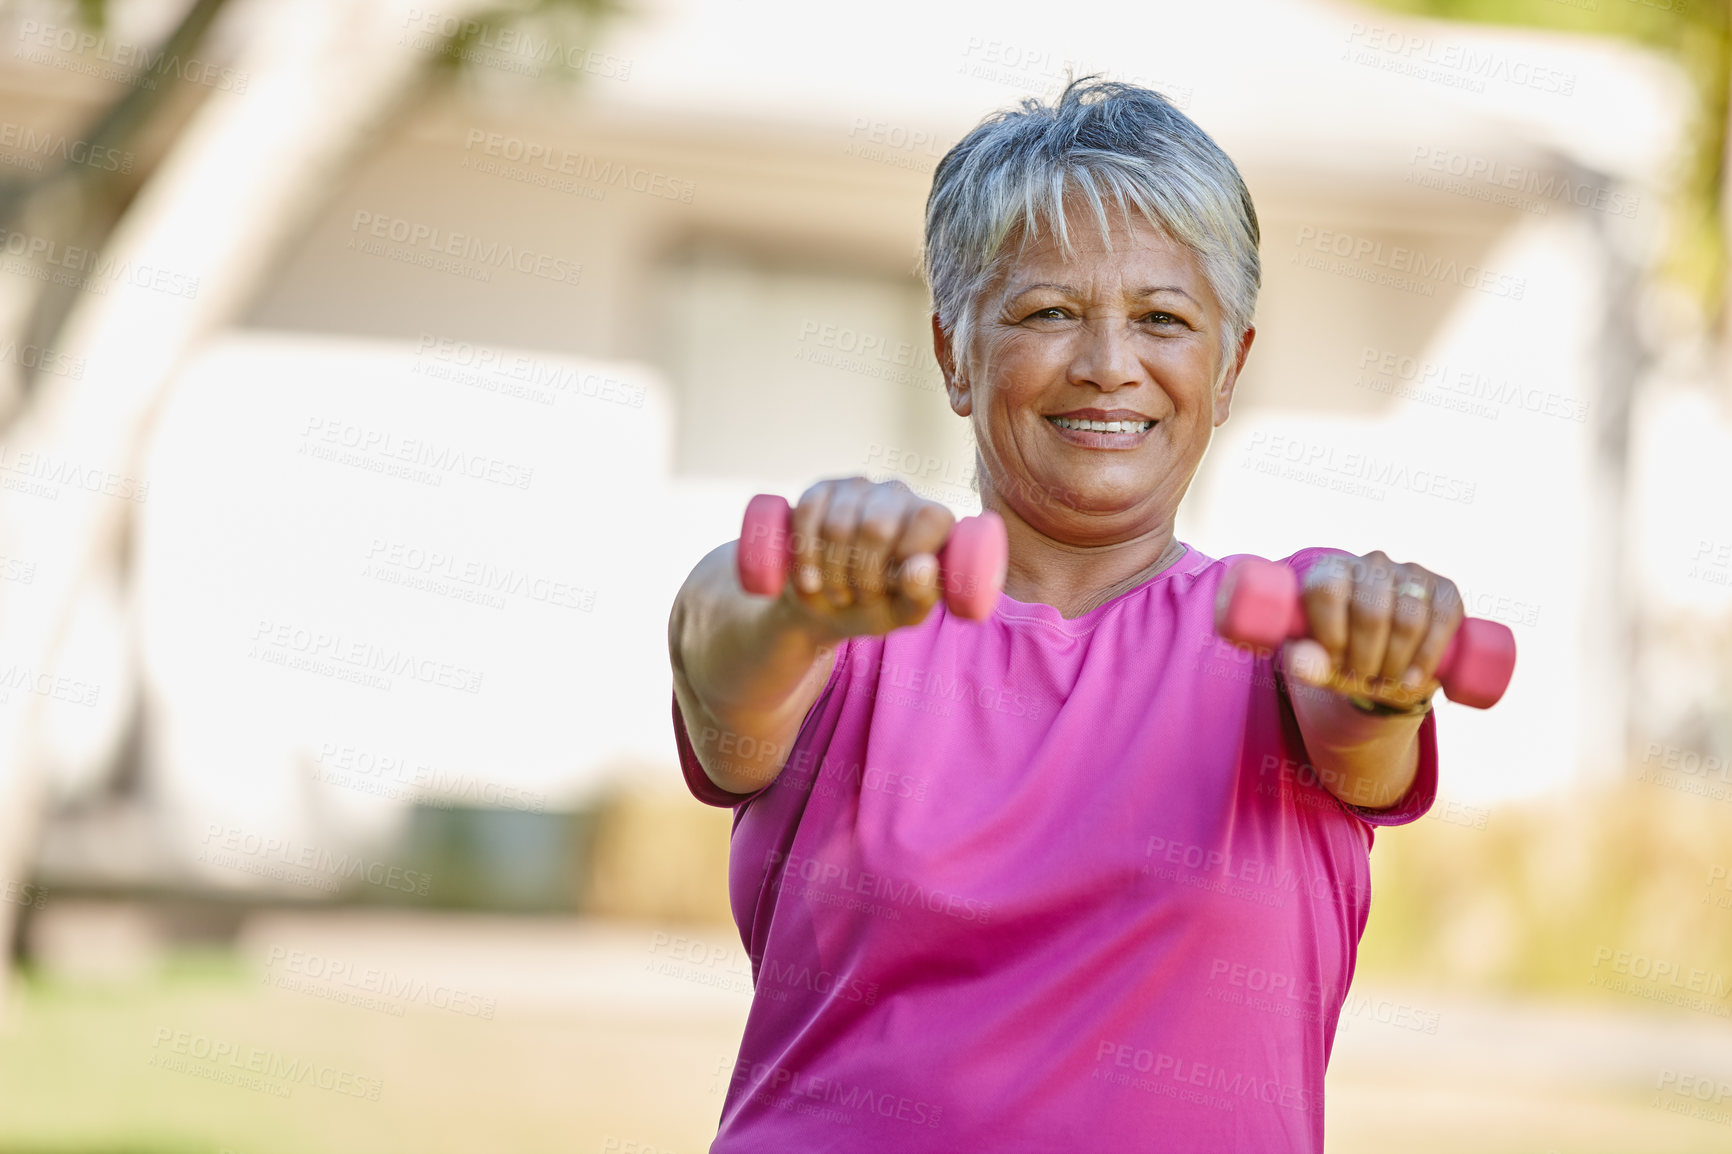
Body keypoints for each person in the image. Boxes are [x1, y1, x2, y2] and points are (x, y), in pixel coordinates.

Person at [666, 77, 1461, 1152]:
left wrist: (1383, 668)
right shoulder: (844, 618)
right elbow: (723, 648)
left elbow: (1362, 725)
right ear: (952, 351)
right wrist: (803, 602)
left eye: (1163, 319)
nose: (1106, 364)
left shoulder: (1284, 627)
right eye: (1047, 311)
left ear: (1228, 367)